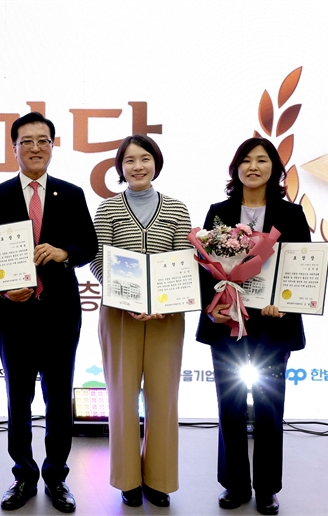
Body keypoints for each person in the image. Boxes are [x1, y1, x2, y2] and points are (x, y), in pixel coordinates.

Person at [0, 112, 97, 513]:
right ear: (14, 148)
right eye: (26, 141)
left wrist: (63, 252)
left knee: (59, 400)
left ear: (52, 145)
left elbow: (88, 246)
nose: (35, 148)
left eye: (42, 140)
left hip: (60, 314)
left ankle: (56, 476)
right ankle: (23, 476)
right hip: (13, 316)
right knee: (18, 400)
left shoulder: (72, 193)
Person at [195, 137, 311, 516]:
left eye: (262, 160)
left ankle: (266, 488)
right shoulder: (219, 212)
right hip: (227, 322)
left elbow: (301, 267)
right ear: (236, 168)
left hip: (273, 326)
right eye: (246, 160)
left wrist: (286, 303)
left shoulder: (291, 215)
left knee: (269, 407)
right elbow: (204, 267)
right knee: (229, 404)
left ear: (274, 168)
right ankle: (234, 484)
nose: (253, 167)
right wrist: (213, 307)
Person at [89, 134, 192, 508]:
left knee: (164, 399)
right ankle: (128, 480)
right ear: (120, 167)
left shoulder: (177, 209)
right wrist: (127, 299)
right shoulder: (107, 209)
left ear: (156, 163)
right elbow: (98, 260)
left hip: (168, 317)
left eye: (145, 159)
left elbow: (183, 259)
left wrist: (166, 302)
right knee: (121, 398)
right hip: (120, 316)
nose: (138, 166)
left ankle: (159, 480)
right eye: (129, 160)